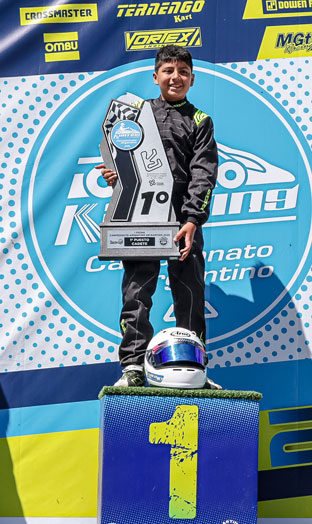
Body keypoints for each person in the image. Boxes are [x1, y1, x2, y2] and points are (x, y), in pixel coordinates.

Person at [96, 45, 219, 388]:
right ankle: (133, 367)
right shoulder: (136, 116)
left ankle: (194, 367)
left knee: (190, 295)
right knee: (136, 293)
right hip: (141, 215)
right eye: (168, 70)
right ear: (155, 76)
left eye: (183, 72)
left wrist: (192, 220)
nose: (175, 77)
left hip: (183, 220)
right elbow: (123, 161)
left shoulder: (200, 121)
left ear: (192, 79)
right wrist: (117, 176)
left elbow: (203, 174)